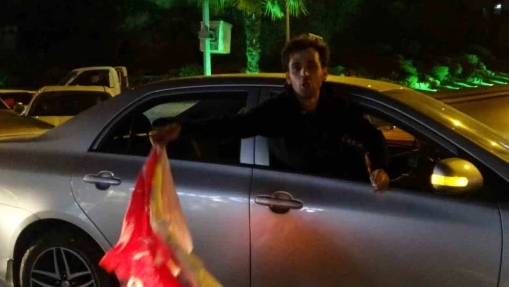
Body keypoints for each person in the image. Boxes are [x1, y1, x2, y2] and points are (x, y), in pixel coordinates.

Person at [151, 34, 390, 191]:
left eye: (311, 66)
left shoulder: (337, 108)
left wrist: (379, 167)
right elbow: (232, 126)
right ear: (288, 77)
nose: (304, 74)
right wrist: (181, 129)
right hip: (289, 199)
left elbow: (373, 137)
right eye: (296, 68)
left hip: (335, 192)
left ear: (324, 73)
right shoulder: (277, 110)